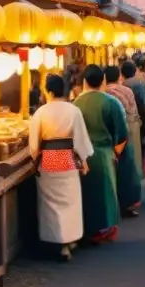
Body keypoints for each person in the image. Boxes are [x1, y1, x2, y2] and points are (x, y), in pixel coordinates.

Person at [29, 74, 94, 261]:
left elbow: (34, 146)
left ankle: (57, 241)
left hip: (48, 162)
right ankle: (68, 242)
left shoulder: (41, 112)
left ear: (49, 91)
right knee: (70, 203)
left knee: (50, 205)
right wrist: (83, 161)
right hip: (68, 161)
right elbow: (80, 140)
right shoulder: (73, 111)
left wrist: (35, 158)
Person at [73, 65, 129, 244]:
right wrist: (116, 153)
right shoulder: (111, 102)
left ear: (84, 81)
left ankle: (87, 228)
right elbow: (121, 132)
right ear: (103, 81)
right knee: (106, 193)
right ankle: (105, 228)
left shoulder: (76, 103)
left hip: (81, 154)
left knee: (86, 193)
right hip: (105, 153)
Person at [104, 65, 143, 218]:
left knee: (114, 168)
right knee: (128, 167)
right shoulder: (127, 90)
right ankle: (129, 202)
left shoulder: (105, 93)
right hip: (130, 129)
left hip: (112, 132)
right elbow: (134, 110)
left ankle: (114, 202)